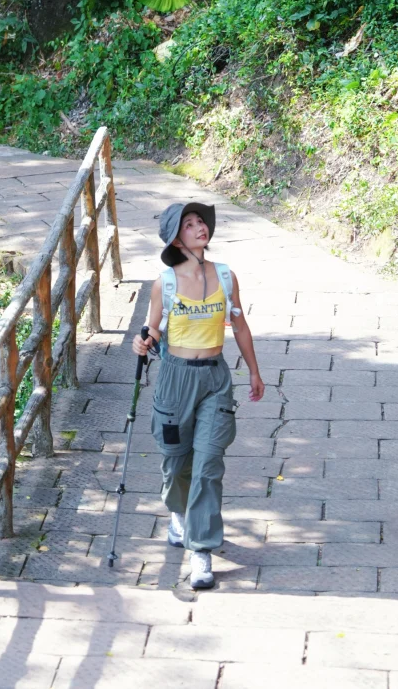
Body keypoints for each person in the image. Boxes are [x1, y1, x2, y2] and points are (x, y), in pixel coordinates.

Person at [132, 200, 264, 590]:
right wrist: (143, 343)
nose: (200, 227)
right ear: (176, 237)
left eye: (201, 222)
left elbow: (239, 327)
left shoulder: (226, 276)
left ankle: (201, 550)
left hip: (215, 380)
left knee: (208, 464)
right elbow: (152, 330)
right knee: (176, 462)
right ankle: (177, 511)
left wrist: (254, 371)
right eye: (189, 225)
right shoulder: (165, 282)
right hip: (175, 380)